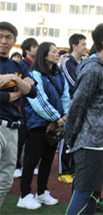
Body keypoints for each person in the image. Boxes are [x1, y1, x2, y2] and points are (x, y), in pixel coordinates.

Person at [65, 23, 103, 215]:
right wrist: (70, 139)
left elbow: (102, 102)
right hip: (89, 144)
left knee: (92, 195)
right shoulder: (92, 70)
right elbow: (77, 106)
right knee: (83, 193)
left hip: (102, 141)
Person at [17, 42, 69, 210]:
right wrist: (56, 117)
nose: (56, 54)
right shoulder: (35, 74)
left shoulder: (59, 74)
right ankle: (24, 195)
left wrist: (64, 116)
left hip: (56, 124)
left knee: (47, 160)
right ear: (44, 55)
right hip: (38, 124)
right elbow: (38, 100)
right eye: (53, 52)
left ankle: (42, 192)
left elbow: (65, 97)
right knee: (31, 160)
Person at [0, 22, 37, 209]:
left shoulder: (17, 67)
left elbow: (33, 92)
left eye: (8, 37)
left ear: (14, 41)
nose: (3, 41)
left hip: (13, 128)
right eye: (0, 37)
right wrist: (19, 90)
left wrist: (14, 79)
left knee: (6, 181)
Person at [58, 34, 87, 184]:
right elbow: (74, 84)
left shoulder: (83, 63)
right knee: (67, 137)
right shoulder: (67, 63)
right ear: (74, 46)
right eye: (82, 44)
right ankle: (64, 170)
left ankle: (74, 168)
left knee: (78, 138)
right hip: (70, 105)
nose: (85, 47)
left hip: (82, 106)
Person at [14, 37, 39, 179]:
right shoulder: (22, 65)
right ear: (27, 50)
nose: (37, 48)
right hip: (22, 105)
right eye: (34, 46)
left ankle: (27, 165)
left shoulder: (36, 65)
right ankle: (16, 165)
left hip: (33, 106)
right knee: (20, 137)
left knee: (31, 137)